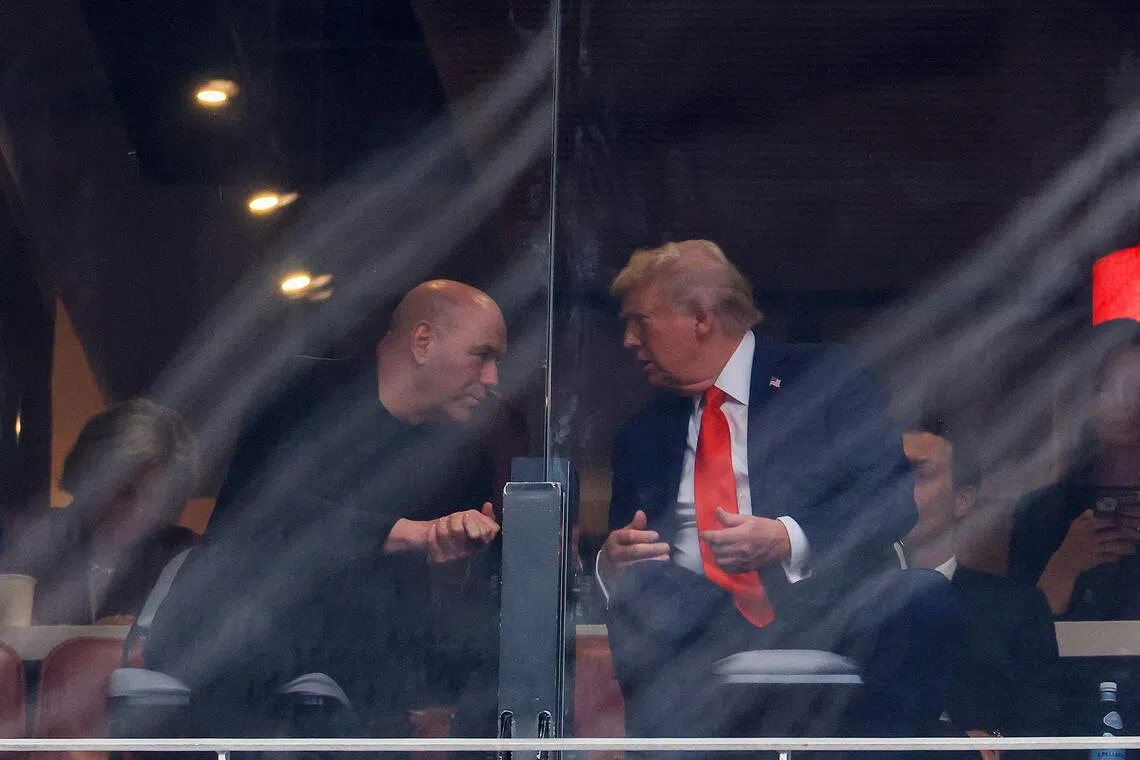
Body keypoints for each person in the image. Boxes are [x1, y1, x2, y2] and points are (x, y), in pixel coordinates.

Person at [598, 240, 961, 747]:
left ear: (702, 319)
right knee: (642, 595)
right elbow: (629, 550)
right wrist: (613, 561)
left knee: (921, 595)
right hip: (695, 625)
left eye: (640, 321)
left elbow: (891, 502)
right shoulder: (641, 435)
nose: (629, 341)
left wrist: (786, 538)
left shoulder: (828, 379)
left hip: (831, 606)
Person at [145, 279, 507, 739]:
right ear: (422, 342)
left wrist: (455, 561)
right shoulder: (297, 396)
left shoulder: (462, 457)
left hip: (364, 704)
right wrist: (414, 533)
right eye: (483, 355)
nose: (494, 379)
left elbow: (451, 620)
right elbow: (266, 515)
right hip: (234, 674)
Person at [898, 418, 1059, 755]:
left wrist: (996, 739)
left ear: (963, 501)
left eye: (919, 474)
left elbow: (1044, 731)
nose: (898, 490)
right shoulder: (846, 607)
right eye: (892, 477)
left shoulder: (1017, 610)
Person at [3, 399, 198, 625]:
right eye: (124, 490)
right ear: (85, 473)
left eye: (154, 500)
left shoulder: (180, 558)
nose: (136, 511)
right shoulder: (28, 539)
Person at [1008, 318, 1140, 619]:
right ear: (1083, 397)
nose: (1125, 403)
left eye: (1136, 387)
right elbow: (1016, 638)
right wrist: (1066, 563)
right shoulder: (1039, 513)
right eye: (1105, 386)